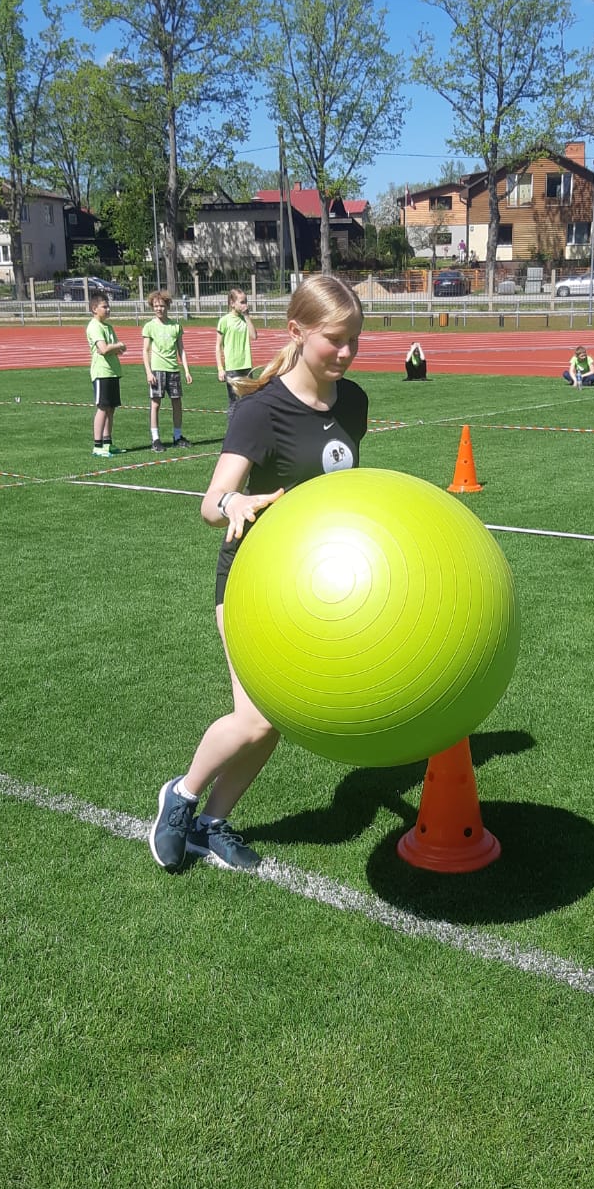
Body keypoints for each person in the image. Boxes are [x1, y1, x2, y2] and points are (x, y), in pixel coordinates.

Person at [150, 275, 369, 874]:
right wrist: (235, 502)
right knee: (256, 717)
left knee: (276, 719)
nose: (346, 352)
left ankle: (211, 824)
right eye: (334, 340)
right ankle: (181, 797)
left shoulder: (353, 402)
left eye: (354, 339)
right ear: (296, 332)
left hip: (317, 585)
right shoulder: (260, 410)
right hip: (251, 583)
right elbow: (209, 502)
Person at [142, 293, 193, 450]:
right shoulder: (149, 326)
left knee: (177, 402)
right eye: (156, 306)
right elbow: (145, 350)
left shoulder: (175, 326)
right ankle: (155, 439)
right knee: (155, 403)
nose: (159, 309)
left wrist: (186, 370)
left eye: (162, 306)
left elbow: (181, 350)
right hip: (157, 370)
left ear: (168, 306)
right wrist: (149, 372)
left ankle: (177, 436)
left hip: (173, 369)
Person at [86, 291, 125, 457]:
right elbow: (104, 349)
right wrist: (118, 346)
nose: (108, 309)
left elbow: (117, 350)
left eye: (108, 306)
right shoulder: (94, 326)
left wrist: (117, 347)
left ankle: (108, 443)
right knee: (102, 408)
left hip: (113, 372)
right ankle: (97, 445)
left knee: (111, 409)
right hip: (101, 372)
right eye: (104, 306)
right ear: (94, 309)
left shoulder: (108, 327)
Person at [215, 288, 258, 407]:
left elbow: (254, 336)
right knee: (235, 404)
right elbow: (218, 346)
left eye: (246, 302)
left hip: (246, 366)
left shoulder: (245, 320)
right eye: (242, 302)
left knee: (249, 403)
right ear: (232, 303)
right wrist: (220, 368)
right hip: (232, 367)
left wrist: (247, 317)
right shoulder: (224, 321)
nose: (245, 305)